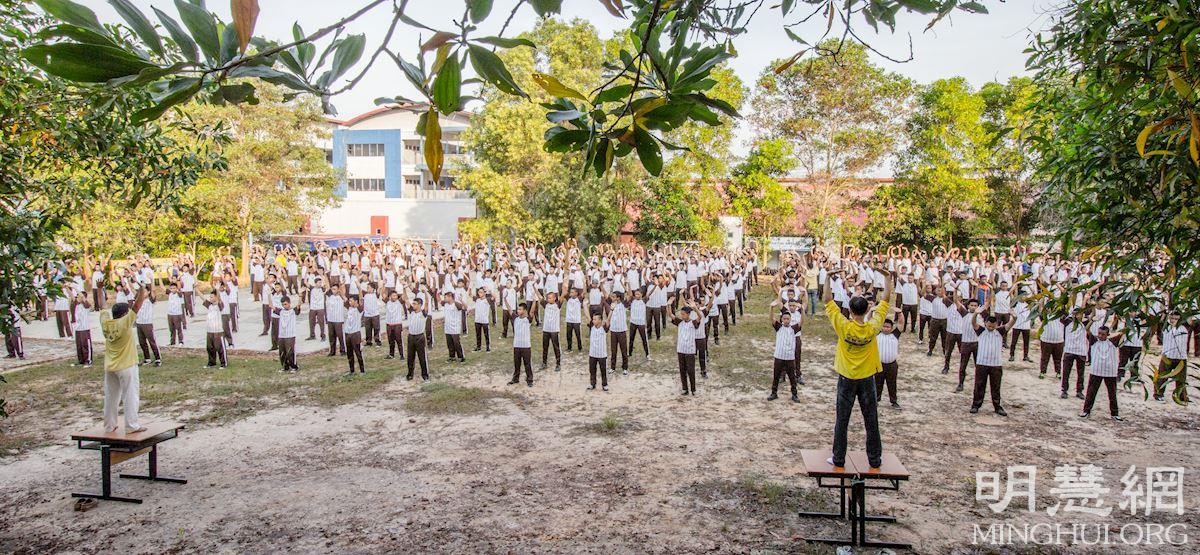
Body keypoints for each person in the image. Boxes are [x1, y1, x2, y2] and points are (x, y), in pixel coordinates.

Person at [823, 266, 893, 469]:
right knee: (871, 420)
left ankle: (838, 459)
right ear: (866, 310)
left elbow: (828, 300)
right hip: (867, 378)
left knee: (842, 421)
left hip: (846, 378)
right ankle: (874, 459)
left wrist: (827, 277)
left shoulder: (843, 326)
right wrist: (887, 278)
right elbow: (886, 300)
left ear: (851, 311)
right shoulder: (873, 326)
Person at [99, 284, 149, 433]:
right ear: (123, 315)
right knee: (130, 395)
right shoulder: (124, 323)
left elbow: (103, 307)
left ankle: (109, 425)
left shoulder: (106, 323)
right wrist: (141, 291)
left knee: (111, 397)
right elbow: (137, 306)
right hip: (127, 365)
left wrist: (101, 289)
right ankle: (131, 425)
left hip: (110, 366)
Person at [969, 310, 1014, 416]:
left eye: (993, 326)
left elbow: (1010, 324)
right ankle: (976, 405)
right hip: (982, 363)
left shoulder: (999, 331)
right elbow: (973, 323)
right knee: (979, 385)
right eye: (989, 326)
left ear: (997, 325)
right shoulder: (981, 331)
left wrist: (1014, 317)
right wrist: (975, 314)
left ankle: (997, 406)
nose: (991, 328)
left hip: (996, 364)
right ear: (985, 323)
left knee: (996, 386)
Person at [1080, 325, 1125, 420]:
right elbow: (1087, 329)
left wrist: (1126, 320)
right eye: (1099, 333)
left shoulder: (1112, 342)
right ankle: (1086, 411)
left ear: (1107, 335)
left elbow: (1123, 333)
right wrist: (1092, 320)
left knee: (1112, 394)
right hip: (1096, 371)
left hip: (1110, 372)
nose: (1100, 336)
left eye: (1103, 334)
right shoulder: (1094, 341)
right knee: (1091, 392)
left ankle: (1114, 414)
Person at [767, 301, 802, 403]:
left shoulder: (793, 329)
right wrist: (771, 308)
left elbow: (802, 321)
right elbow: (771, 318)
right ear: (782, 320)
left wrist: (803, 310)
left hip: (790, 357)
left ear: (790, 320)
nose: (786, 320)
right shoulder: (779, 328)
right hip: (779, 356)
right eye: (784, 319)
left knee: (792, 377)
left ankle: (794, 394)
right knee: (776, 376)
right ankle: (774, 393)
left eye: (788, 319)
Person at [1155, 310, 1192, 403]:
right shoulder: (1166, 327)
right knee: (1162, 376)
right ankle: (1158, 394)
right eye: (1172, 318)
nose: (1173, 320)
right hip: (1168, 356)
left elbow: (1190, 319)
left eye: (1176, 318)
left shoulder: (1185, 327)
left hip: (1181, 357)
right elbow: (1161, 319)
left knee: (1181, 379)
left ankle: (1181, 396)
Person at [671, 302, 703, 396]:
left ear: (688, 314)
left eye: (683, 314)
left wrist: (695, 308)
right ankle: (685, 388)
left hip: (690, 350)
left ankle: (693, 389)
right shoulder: (680, 322)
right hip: (680, 349)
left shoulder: (693, 323)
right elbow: (670, 315)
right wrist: (668, 305)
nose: (682, 316)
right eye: (681, 314)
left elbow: (700, 316)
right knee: (682, 370)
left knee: (691, 370)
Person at [876, 317, 902, 409]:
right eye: (884, 326)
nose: (886, 328)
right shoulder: (876, 334)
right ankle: (876, 400)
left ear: (891, 328)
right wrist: (871, 310)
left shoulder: (895, 335)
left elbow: (901, 323)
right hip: (879, 364)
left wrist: (900, 313)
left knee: (892, 384)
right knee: (877, 383)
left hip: (892, 365)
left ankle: (894, 401)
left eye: (888, 327)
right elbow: (868, 321)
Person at [133, 284, 161, 367]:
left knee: (152, 341)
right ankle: (147, 358)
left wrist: (151, 280)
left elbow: (153, 291)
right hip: (139, 323)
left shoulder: (150, 300)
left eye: (144, 291)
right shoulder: (138, 301)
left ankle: (158, 359)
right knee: (142, 342)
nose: (142, 293)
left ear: (148, 292)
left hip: (147, 323)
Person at [509, 303, 534, 387]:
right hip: (516, 345)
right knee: (517, 363)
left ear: (524, 310)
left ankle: (529, 380)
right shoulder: (515, 319)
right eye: (518, 309)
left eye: (520, 309)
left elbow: (532, 311)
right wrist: (505, 299)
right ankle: (515, 378)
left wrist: (534, 301)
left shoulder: (528, 320)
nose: (518, 311)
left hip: (526, 346)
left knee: (527, 364)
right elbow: (509, 310)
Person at [405, 296, 430, 382]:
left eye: (415, 304)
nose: (413, 305)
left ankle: (425, 375)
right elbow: (406, 299)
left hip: (420, 337)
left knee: (422, 357)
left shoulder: (423, 314)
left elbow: (427, 302)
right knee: (410, 357)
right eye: (413, 304)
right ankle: (410, 374)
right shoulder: (411, 312)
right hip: (411, 337)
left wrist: (426, 292)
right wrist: (404, 288)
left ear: (419, 305)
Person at [202, 291, 227, 369]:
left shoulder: (220, 305)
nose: (210, 298)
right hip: (209, 331)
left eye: (212, 297)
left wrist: (217, 289)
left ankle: (223, 363)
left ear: (216, 297)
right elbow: (202, 297)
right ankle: (212, 362)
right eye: (210, 297)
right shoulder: (209, 305)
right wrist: (196, 289)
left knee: (219, 348)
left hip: (218, 331)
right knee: (210, 348)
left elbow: (219, 299)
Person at [275, 296, 301, 373]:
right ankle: (285, 366)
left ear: (289, 303)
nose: (284, 306)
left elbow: (299, 305)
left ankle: (294, 366)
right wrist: (269, 294)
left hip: (290, 334)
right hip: (282, 335)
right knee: (282, 352)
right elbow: (271, 306)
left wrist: (300, 296)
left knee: (290, 352)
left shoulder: (293, 311)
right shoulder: (281, 311)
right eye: (283, 304)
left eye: (286, 304)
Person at [586, 311, 610, 391]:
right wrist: (585, 305)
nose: (593, 321)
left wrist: (612, 310)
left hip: (602, 354)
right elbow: (587, 316)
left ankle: (604, 384)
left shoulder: (604, 328)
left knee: (603, 370)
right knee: (592, 370)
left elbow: (608, 320)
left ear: (600, 320)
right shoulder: (592, 327)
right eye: (593, 319)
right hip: (592, 353)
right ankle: (592, 384)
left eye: (595, 319)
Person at [441, 291, 467, 363]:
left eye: (445, 297)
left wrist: (461, 300)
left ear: (450, 297)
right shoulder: (446, 304)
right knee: (449, 343)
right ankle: (452, 356)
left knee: (456, 343)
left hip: (455, 327)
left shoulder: (456, 304)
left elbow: (465, 307)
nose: (444, 299)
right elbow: (439, 301)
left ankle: (461, 357)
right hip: (447, 327)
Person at [540, 291, 562, 371]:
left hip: (554, 330)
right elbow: (540, 297)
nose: (548, 299)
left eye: (550, 298)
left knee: (556, 347)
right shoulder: (546, 305)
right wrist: (534, 288)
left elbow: (563, 295)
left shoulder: (557, 305)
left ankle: (558, 364)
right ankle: (544, 363)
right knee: (545, 347)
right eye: (547, 298)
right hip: (546, 329)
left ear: (554, 298)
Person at [71, 291, 94, 367]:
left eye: (80, 297)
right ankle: (81, 360)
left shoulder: (86, 305)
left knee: (85, 345)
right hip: (78, 328)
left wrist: (76, 288)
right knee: (79, 345)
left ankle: (88, 360)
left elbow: (84, 298)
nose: (78, 298)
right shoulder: (76, 305)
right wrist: (67, 287)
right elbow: (71, 296)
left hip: (85, 328)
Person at [343, 296, 365, 375]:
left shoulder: (359, 310)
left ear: (356, 301)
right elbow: (343, 297)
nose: (349, 302)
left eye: (351, 301)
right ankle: (351, 370)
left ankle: (362, 370)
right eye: (349, 301)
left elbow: (360, 299)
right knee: (349, 353)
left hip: (355, 333)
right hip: (348, 333)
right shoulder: (349, 308)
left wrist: (359, 287)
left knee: (358, 352)